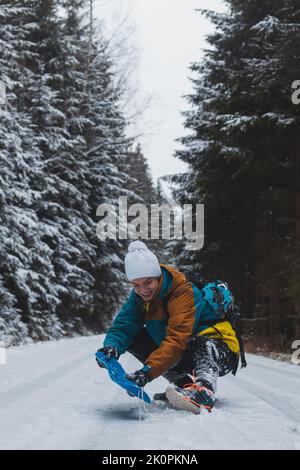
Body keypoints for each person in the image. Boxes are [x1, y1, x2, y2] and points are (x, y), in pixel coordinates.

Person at [97, 240, 240, 413]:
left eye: (148, 282)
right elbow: (124, 326)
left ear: (159, 277)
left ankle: (204, 389)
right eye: (136, 285)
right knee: (134, 336)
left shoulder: (183, 291)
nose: (142, 290)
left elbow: (176, 340)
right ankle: (185, 385)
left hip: (220, 351)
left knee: (202, 342)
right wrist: (111, 348)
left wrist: (146, 373)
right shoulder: (140, 297)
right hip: (186, 351)